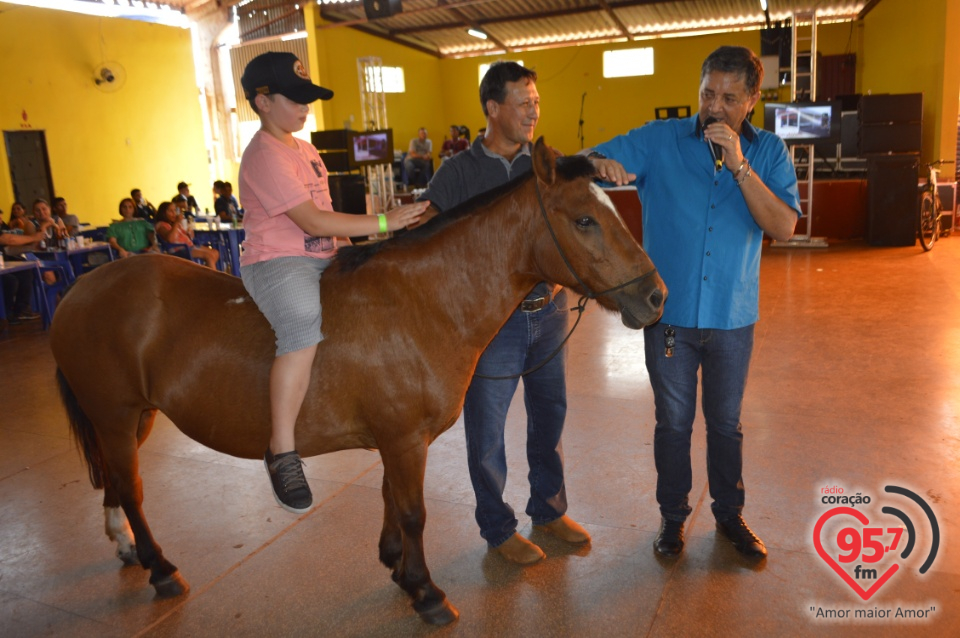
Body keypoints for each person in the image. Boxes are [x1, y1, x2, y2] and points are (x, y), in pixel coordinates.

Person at [584, 45, 800, 559]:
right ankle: (672, 518)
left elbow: (785, 228)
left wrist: (740, 166)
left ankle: (729, 515)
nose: (714, 106)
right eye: (707, 93)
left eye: (729, 97)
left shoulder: (769, 152)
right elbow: (587, 162)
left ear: (752, 100)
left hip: (732, 317)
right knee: (673, 424)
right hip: (670, 321)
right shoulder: (659, 142)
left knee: (726, 424)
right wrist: (602, 165)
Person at [237, 51, 428, 514]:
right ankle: (282, 449)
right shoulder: (264, 154)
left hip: (326, 252)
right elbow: (311, 219)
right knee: (302, 323)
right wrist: (382, 222)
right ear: (262, 102)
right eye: (296, 99)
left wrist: (363, 250)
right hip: (280, 261)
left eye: (308, 100)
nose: (305, 108)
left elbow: (328, 220)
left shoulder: (304, 148)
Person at [418, 61, 589, 565]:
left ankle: (550, 509)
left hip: (550, 311)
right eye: (523, 103)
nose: (533, 111)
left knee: (550, 417)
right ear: (493, 109)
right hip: (495, 326)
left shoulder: (545, 164)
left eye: (536, 102)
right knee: (487, 431)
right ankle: (497, 528)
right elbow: (429, 239)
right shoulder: (458, 173)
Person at [154, 201, 219, 269]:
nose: (174, 213)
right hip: (179, 250)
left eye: (174, 210)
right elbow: (170, 239)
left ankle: (205, 274)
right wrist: (176, 222)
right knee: (209, 256)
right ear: (163, 213)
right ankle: (211, 278)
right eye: (170, 211)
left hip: (189, 246)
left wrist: (189, 234)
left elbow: (186, 237)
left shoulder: (173, 224)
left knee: (215, 253)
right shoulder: (161, 225)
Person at [0, 223, 43, 324]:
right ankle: (5, 314)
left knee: (25, 273)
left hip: (3, 263)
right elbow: (8, 239)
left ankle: (21, 310)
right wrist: (34, 238)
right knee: (10, 280)